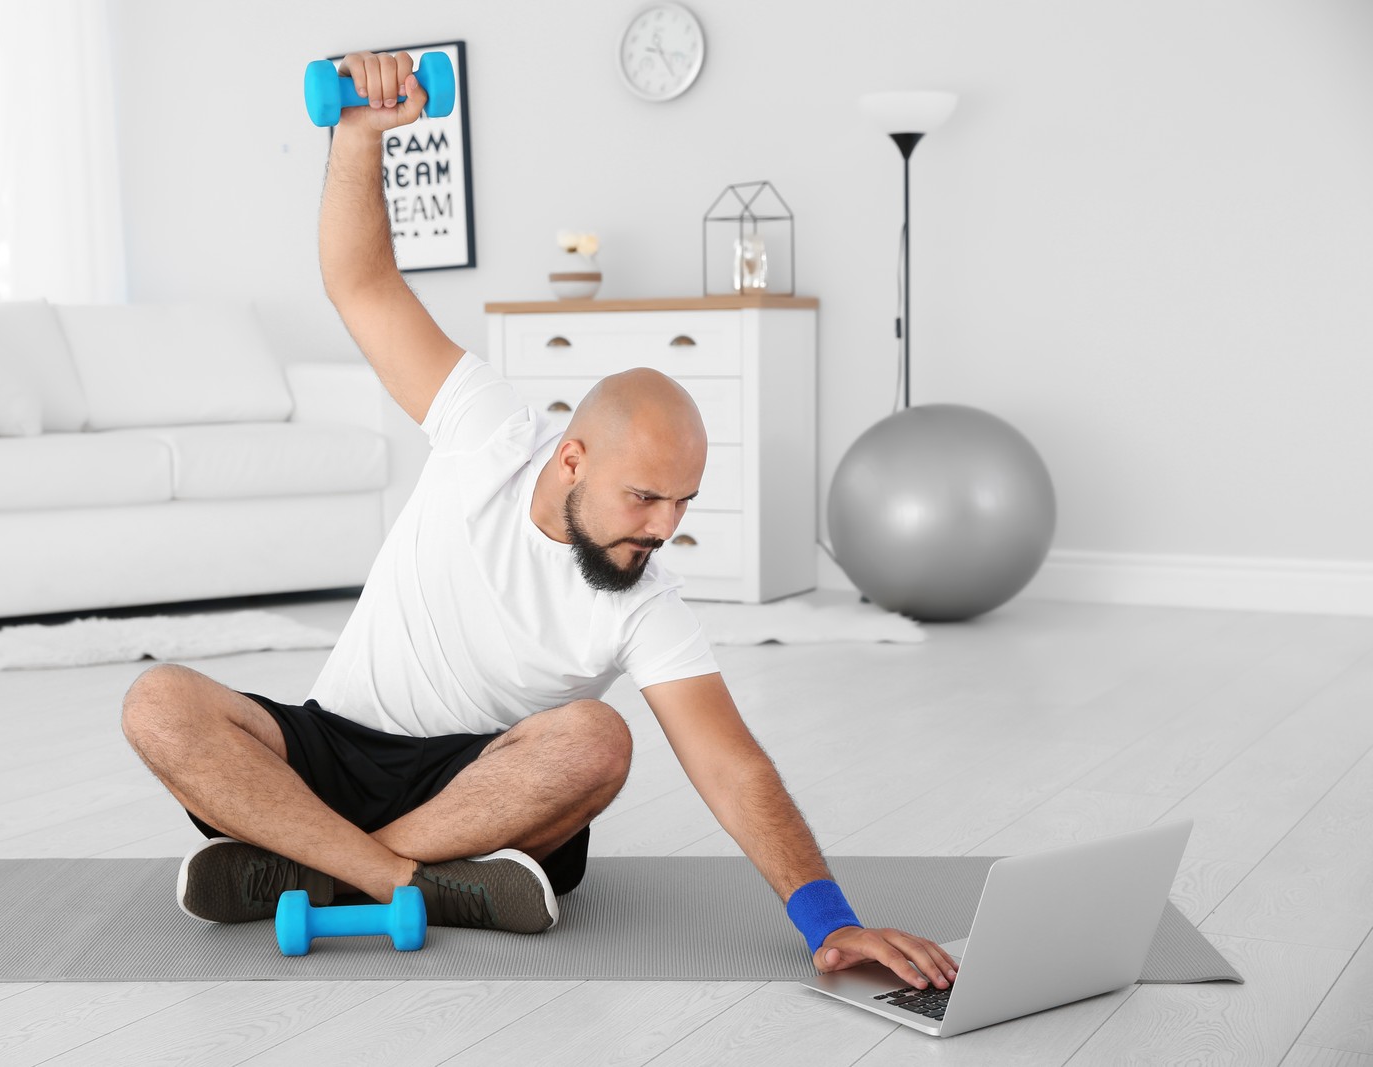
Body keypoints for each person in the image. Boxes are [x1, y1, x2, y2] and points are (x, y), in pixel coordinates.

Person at [120, 49, 956, 991]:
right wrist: (359, 137)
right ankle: (399, 879)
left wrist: (830, 922)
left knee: (598, 738)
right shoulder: (486, 430)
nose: (662, 526)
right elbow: (361, 283)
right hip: (330, 745)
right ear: (571, 458)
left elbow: (733, 767)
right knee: (158, 702)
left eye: (682, 503)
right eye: (644, 497)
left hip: (483, 791)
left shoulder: (647, 600)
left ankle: (314, 867)